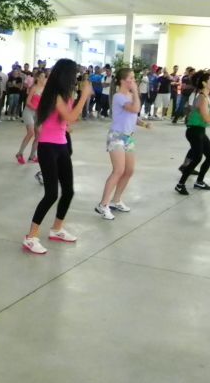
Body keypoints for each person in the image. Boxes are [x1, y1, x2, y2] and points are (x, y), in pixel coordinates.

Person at [22, 58, 92, 255]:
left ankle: (57, 229)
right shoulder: (54, 95)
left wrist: (65, 126)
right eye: (74, 74)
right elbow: (71, 117)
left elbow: (65, 120)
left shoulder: (63, 94)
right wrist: (84, 96)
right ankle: (30, 237)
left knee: (68, 191)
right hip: (48, 147)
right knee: (51, 194)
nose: (76, 78)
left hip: (61, 145)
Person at [95, 67, 150, 220]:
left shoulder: (130, 96)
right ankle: (103, 205)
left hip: (128, 137)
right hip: (116, 137)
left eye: (133, 78)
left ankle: (116, 200)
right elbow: (135, 108)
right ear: (122, 81)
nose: (134, 81)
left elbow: (132, 116)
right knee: (118, 170)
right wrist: (136, 93)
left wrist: (143, 123)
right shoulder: (118, 97)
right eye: (131, 78)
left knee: (129, 170)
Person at [175, 70, 210, 195]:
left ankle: (199, 181)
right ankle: (180, 184)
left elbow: (207, 116)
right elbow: (207, 118)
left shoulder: (206, 96)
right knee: (197, 158)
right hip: (194, 131)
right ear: (204, 83)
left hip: (200, 130)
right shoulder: (202, 97)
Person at [16, 70, 46, 164]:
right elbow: (28, 102)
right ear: (37, 78)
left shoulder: (45, 89)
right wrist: (36, 109)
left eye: (44, 76)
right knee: (30, 132)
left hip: (38, 114)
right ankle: (19, 153)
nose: (43, 78)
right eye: (42, 76)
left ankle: (32, 156)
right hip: (29, 111)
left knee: (39, 134)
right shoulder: (34, 88)